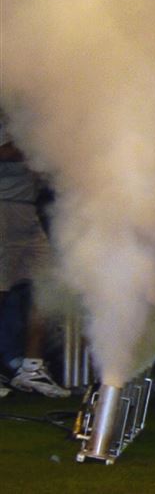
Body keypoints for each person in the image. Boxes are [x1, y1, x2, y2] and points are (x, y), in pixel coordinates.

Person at [0, 119, 69, 398]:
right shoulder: (12, 120)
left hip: (28, 212)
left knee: (45, 288)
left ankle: (32, 368)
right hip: (2, 210)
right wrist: (33, 145)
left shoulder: (28, 117)